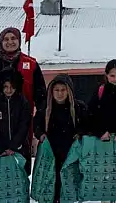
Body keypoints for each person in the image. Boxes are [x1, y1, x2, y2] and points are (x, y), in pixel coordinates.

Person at [34, 74, 88, 203]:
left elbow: (87, 124)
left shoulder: (78, 107)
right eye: (57, 90)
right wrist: (40, 134)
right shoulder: (45, 108)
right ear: (51, 91)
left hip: (70, 152)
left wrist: (80, 133)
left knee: (69, 183)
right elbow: (36, 125)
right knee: (52, 183)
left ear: (69, 91)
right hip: (51, 152)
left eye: (63, 90)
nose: (60, 93)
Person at [0, 71, 33, 176]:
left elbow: (24, 126)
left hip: (19, 150)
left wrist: (13, 146)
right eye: (5, 87)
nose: (9, 90)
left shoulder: (23, 103)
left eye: (12, 87)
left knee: (19, 181)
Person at [87, 59, 116, 141]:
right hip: (102, 139)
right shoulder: (101, 90)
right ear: (106, 75)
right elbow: (91, 114)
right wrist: (100, 132)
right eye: (112, 76)